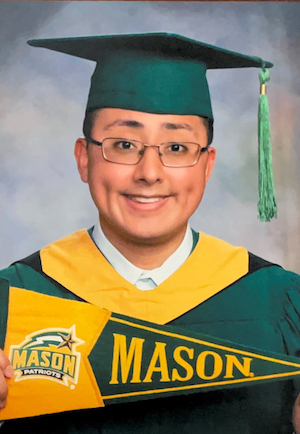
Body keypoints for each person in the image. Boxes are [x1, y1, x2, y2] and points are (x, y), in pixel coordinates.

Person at [0, 32, 300, 433]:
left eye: (176, 148)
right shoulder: (13, 297)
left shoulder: (280, 303)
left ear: (207, 165)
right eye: (123, 144)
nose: (149, 173)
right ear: (83, 158)